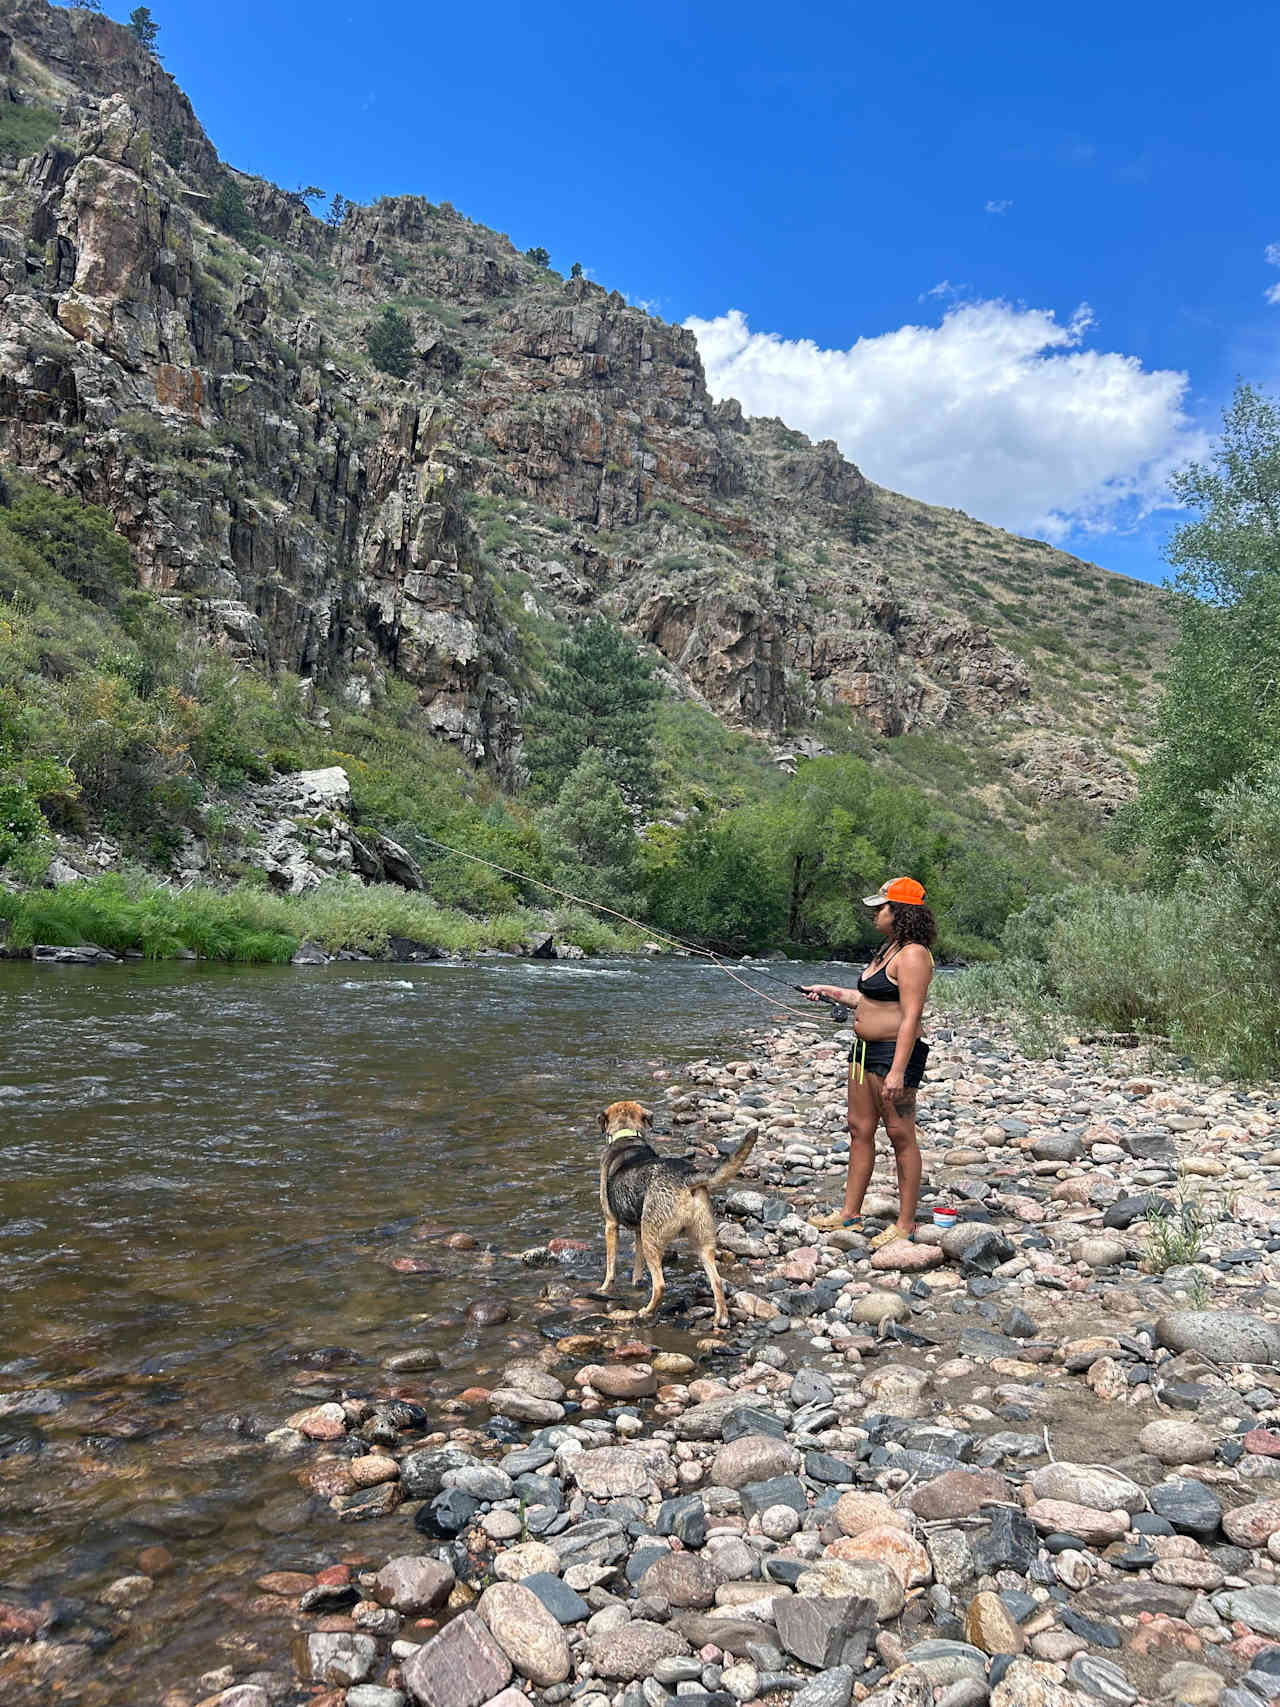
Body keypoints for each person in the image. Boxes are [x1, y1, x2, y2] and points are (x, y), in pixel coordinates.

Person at [803, 876, 937, 1244]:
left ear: (901, 912)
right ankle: (849, 1216)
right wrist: (829, 991)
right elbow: (870, 1000)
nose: (875, 913)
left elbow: (910, 1016)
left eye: (881, 907)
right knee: (859, 1130)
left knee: (900, 1136)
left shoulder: (913, 955)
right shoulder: (888, 949)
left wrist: (897, 1071)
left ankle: (906, 1224)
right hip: (862, 1052)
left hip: (894, 1055)